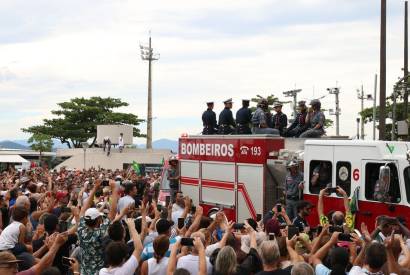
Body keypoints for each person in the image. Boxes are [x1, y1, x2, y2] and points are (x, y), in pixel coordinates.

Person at [77, 179, 118, 275]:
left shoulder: (81, 228)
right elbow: (112, 213)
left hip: (84, 271)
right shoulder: (100, 232)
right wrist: (115, 189)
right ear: (99, 220)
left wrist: (95, 188)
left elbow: (84, 209)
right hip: (98, 272)